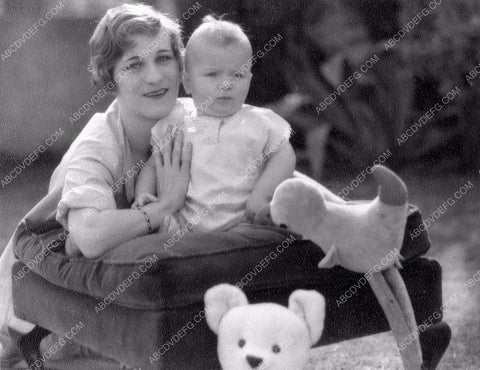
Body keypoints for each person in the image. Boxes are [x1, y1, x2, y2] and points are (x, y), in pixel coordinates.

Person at [0, 4, 293, 367]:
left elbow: (263, 166)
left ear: (182, 67)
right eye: (135, 65)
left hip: (129, 282)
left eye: (164, 58)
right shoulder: (97, 145)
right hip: (31, 310)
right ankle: (55, 352)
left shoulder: (192, 116)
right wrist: (164, 205)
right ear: (111, 76)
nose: (155, 77)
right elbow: (87, 239)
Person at [132, 16, 296, 232]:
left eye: (238, 75)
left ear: (249, 79)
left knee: (275, 228)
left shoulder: (258, 121)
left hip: (244, 222)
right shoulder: (176, 121)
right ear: (187, 82)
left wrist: (262, 195)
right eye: (212, 74)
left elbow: (285, 155)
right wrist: (143, 193)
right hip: (183, 228)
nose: (226, 84)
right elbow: (153, 164)